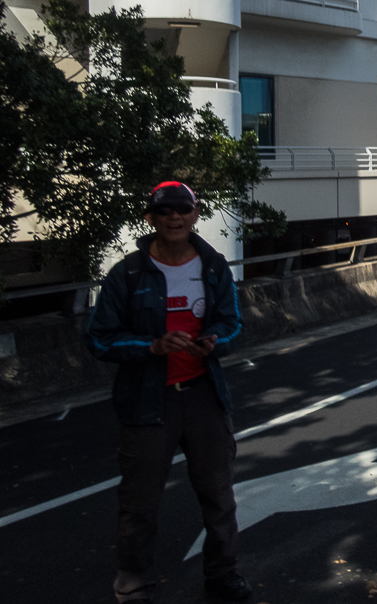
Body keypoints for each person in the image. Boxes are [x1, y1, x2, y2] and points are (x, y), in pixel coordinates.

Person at [85, 181, 251, 603]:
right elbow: (100, 339)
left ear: (196, 215)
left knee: (218, 495)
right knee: (139, 503)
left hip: (203, 395)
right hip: (146, 400)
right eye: (165, 211)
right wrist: (151, 347)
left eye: (183, 209)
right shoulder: (127, 273)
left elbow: (234, 323)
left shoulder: (213, 267)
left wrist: (216, 339)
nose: (175, 217)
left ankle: (223, 574)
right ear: (151, 219)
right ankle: (133, 584)